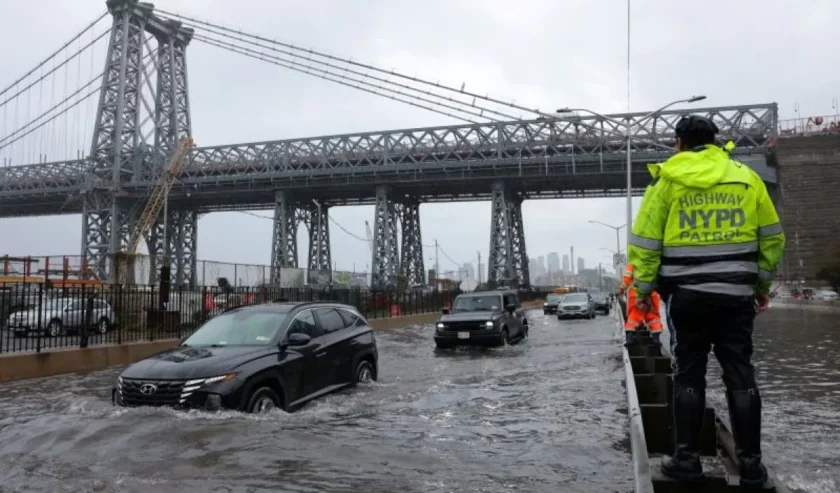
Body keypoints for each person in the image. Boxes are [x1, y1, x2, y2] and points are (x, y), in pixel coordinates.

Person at [627, 115, 785, 486]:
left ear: (678, 142)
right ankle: (751, 467)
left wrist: (646, 292)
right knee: (741, 375)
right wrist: (762, 284)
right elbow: (773, 238)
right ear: (717, 141)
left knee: (688, 374)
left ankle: (686, 460)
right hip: (736, 297)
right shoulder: (746, 179)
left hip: (687, 298)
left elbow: (645, 245)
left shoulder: (667, 181)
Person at [620, 263, 664, 345]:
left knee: (634, 315)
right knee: (653, 316)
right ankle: (656, 339)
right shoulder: (655, 261)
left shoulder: (633, 263)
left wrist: (621, 288)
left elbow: (627, 278)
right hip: (652, 292)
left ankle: (630, 339)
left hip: (635, 292)